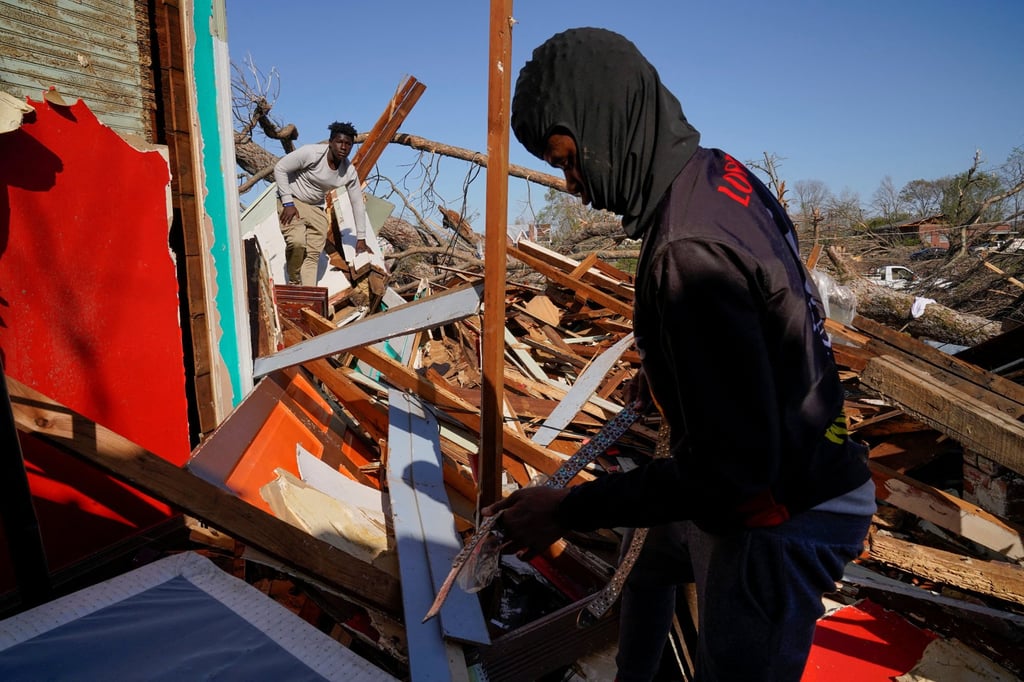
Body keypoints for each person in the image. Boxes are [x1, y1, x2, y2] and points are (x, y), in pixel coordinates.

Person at [484, 27, 876, 681]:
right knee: (649, 567)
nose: (573, 183)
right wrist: (674, 369)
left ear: (606, 120)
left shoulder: (685, 249)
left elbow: (735, 474)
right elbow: (768, 311)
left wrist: (568, 509)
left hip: (780, 514)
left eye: (568, 158)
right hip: (787, 462)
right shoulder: (715, 177)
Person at [273, 120, 369, 287]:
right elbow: (280, 168)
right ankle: (294, 281)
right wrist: (287, 203)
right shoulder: (312, 154)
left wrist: (361, 238)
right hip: (293, 201)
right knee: (297, 242)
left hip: (316, 208)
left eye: (348, 144)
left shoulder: (348, 172)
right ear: (331, 142)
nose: (343, 147)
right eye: (339, 142)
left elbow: (357, 203)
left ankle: (309, 299)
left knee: (312, 256)